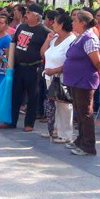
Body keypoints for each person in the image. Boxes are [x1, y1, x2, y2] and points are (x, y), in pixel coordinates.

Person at [63, 10, 100, 156]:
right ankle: (80, 140)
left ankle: (88, 146)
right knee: (80, 112)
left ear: (83, 23)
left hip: (84, 80)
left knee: (86, 112)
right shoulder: (80, 37)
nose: (72, 22)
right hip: (76, 80)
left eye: (75, 20)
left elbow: (97, 61)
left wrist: (99, 71)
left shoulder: (89, 38)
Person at [1, 3, 49, 132]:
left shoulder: (44, 31)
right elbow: (14, 43)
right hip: (17, 66)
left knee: (32, 96)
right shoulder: (21, 27)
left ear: (36, 16)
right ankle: (11, 121)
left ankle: (29, 123)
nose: (25, 15)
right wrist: (9, 60)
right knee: (15, 94)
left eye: (28, 13)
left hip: (33, 68)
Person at [41, 13, 77, 143]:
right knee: (53, 103)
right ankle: (54, 129)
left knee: (64, 105)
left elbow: (70, 61)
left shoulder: (71, 39)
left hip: (62, 76)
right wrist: (47, 40)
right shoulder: (55, 37)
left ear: (61, 25)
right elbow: (43, 53)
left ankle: (66, 134)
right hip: (49, 76)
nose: (52, 24)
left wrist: (55, 70)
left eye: (55, 22)